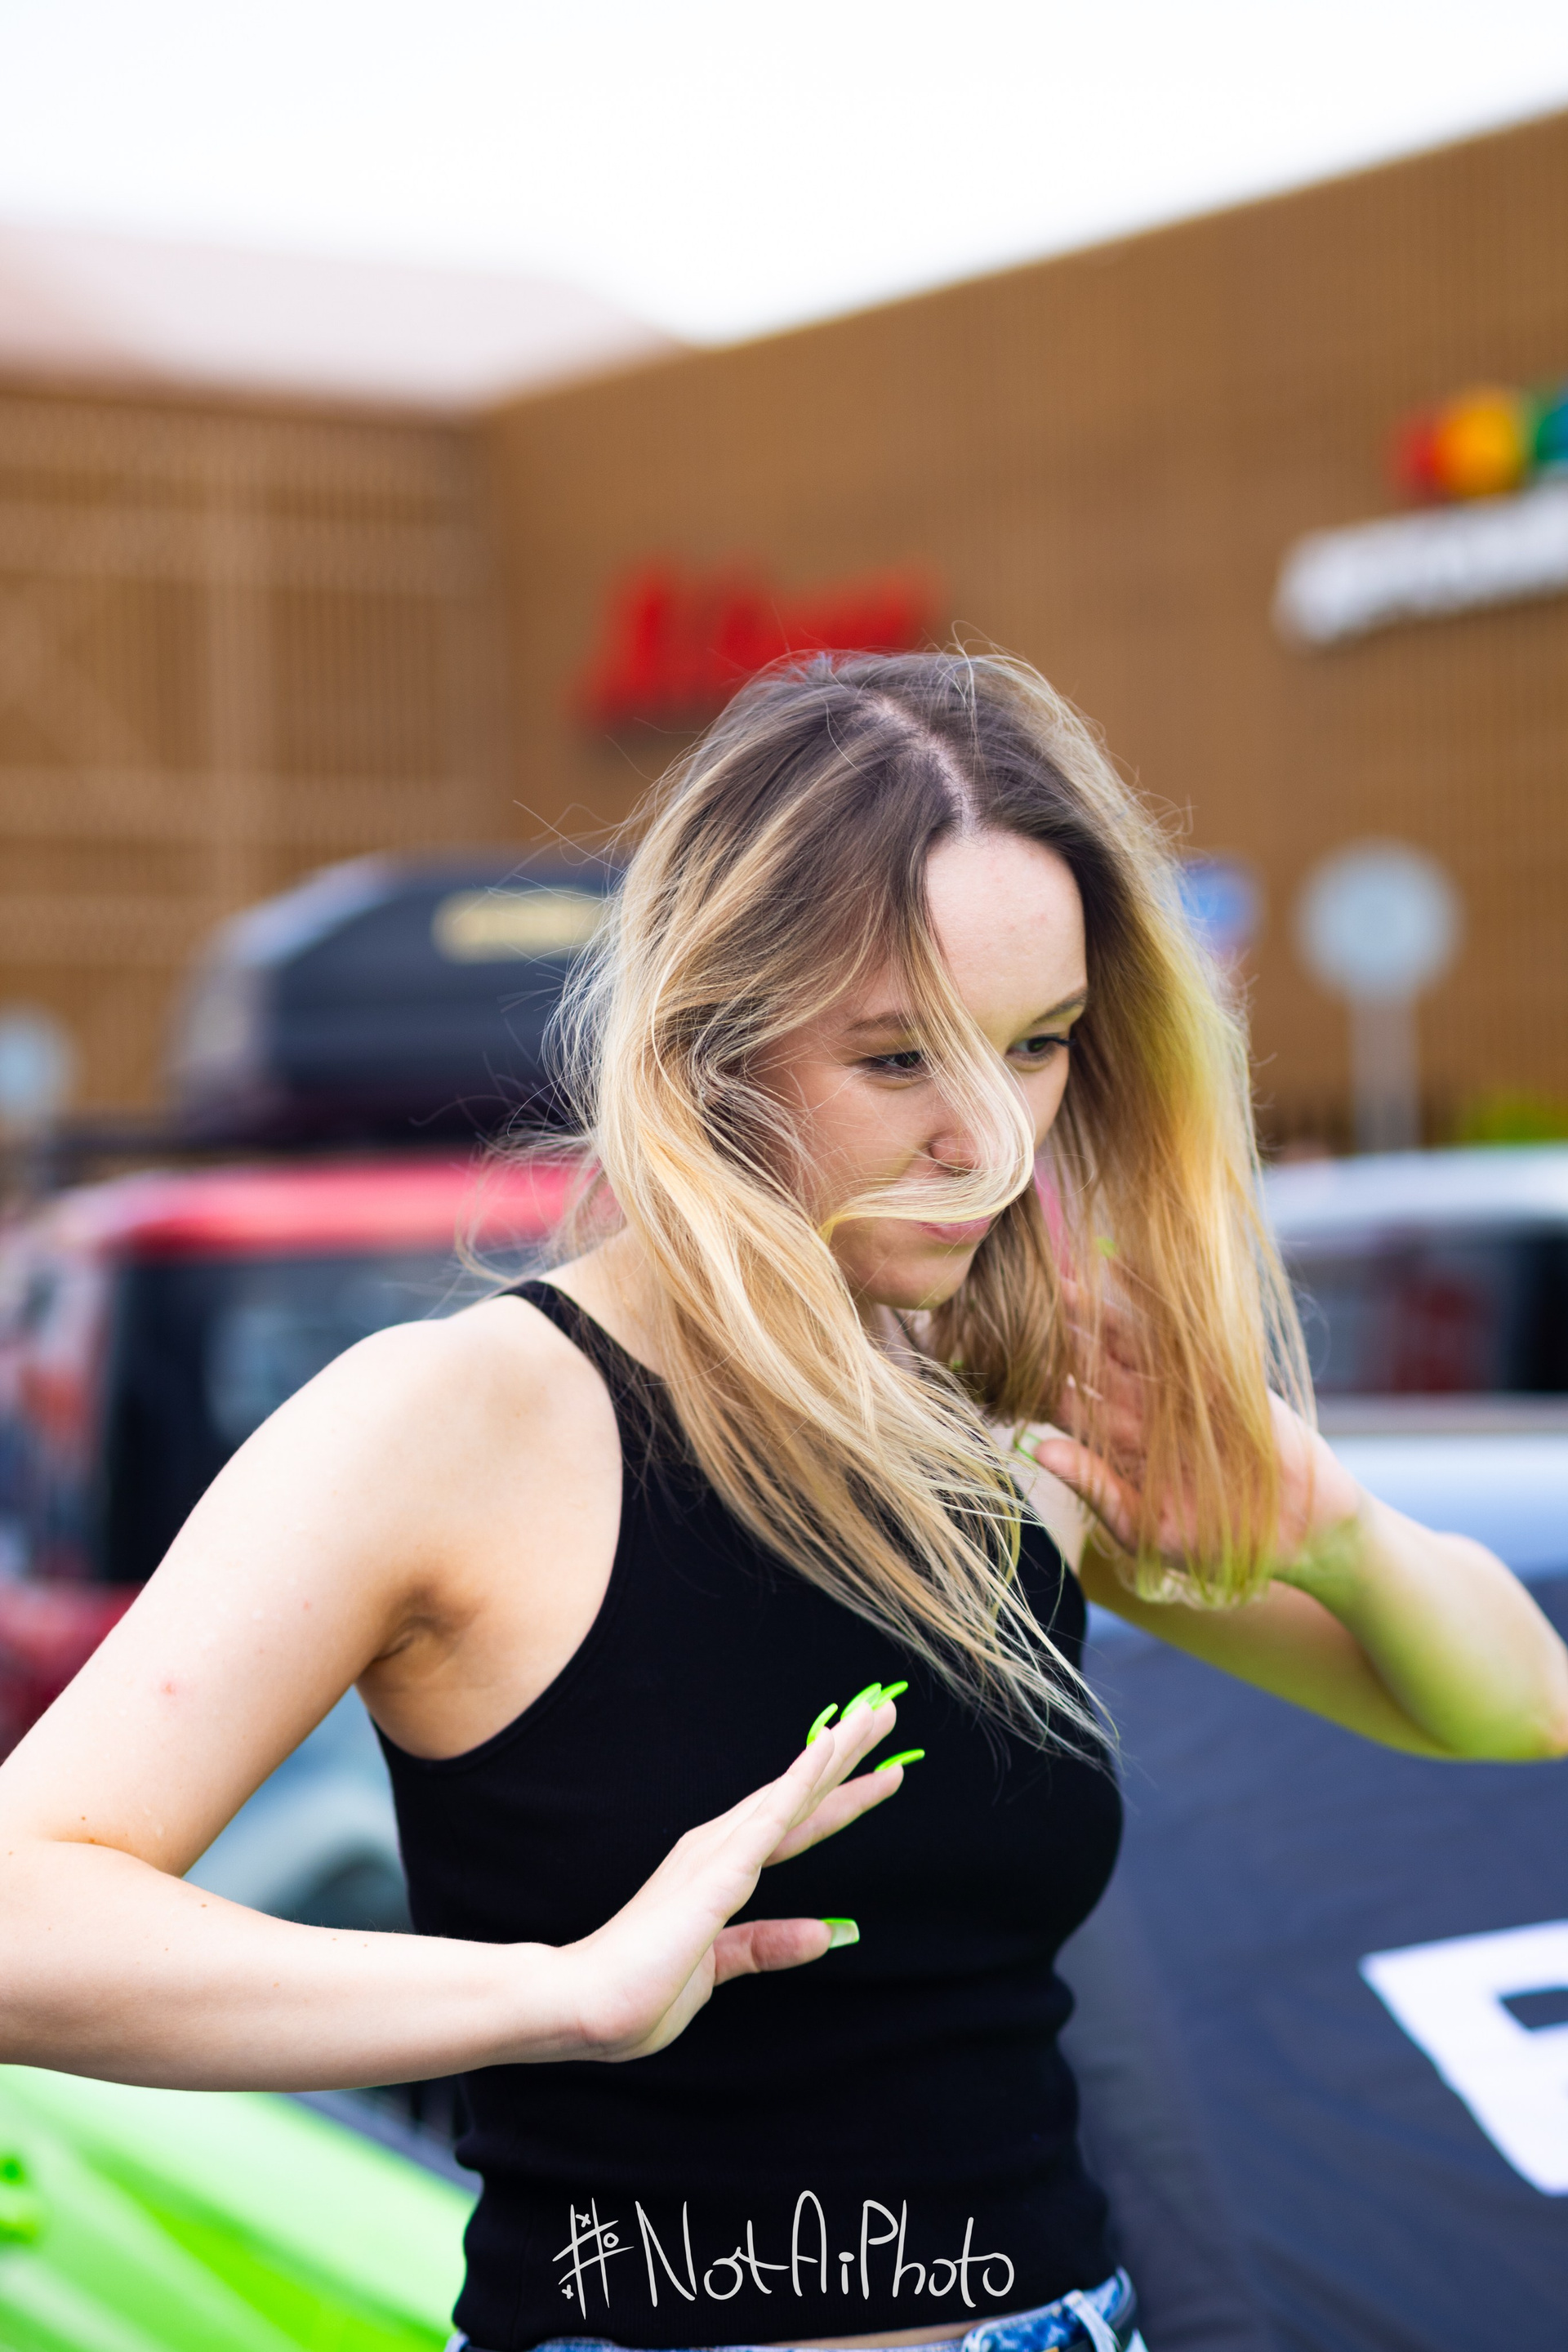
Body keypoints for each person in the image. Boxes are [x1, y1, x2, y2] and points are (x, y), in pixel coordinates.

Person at [0, 653, 1562, 2352]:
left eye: (1039, 1046)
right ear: (710, 1042)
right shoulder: (462, 1418)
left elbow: (1509, 1710)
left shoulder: (1002, 1403)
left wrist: (1339, 1536)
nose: (991, 1143)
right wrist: (553, 1995)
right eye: (897, 1059)